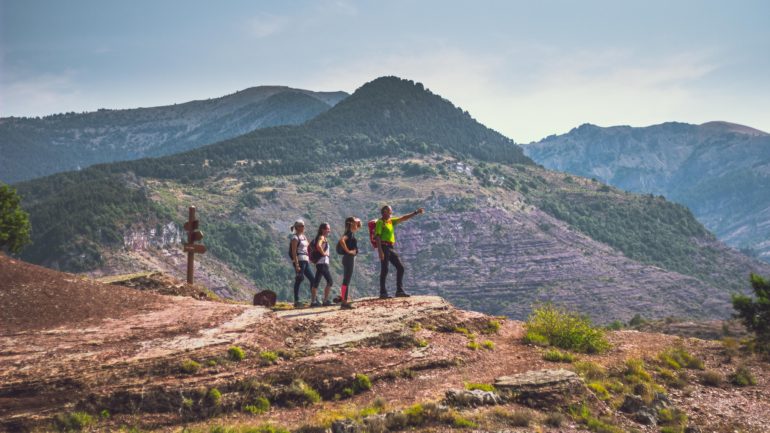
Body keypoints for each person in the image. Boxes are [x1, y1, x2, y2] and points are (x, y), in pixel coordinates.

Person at [375, 205, 424, 299]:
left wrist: (416, 212)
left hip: (390, 247)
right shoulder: (380, 222)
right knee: (384, 269)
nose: (391, 212)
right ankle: (383, 293)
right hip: (384, 247)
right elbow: (377, 237)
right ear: (385, 212)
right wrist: (380, 251)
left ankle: (399, 291)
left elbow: (403, 218)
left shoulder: (390, 221)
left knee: (400, 267)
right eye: (390, 211)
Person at [337, 216, 361, 309]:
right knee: (346, 280)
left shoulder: (350, 232)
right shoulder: (349, 234)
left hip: (347, 258)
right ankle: (344, 302)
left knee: (346, 280)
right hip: (349, 258)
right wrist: (348, 251)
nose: (357, 224)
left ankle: (344, 300)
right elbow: (342, 240)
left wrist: (355, 220)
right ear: (351, 223)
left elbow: (359, 224)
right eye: (355, 222)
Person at [289, 220, 314, 308]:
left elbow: (308, 248)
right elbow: (294, 252)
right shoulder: (295, 238)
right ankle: (297, 300)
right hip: (300, 260)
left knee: (313, 280)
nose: (303, 227)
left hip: (306, 260)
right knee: (299, 279)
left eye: (303, 225)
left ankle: (313, 300)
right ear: (297, 227)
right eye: (302, 226)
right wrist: (296, 265)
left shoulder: (303, 237)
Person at [310, 222, 334, 307]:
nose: (329, 230)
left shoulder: (321, 237)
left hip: (319, 263)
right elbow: (318, 246)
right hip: (323, 262)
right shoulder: (322, 237)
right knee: (330, 281)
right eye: (327, 229)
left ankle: (313, 302)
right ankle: (325, 300)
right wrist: (324, 254)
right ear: (322, 229)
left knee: (316, 282)